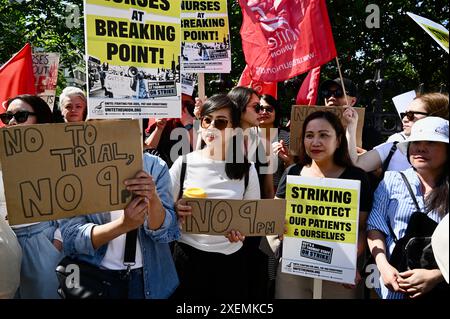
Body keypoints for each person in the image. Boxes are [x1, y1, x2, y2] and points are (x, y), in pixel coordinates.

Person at [169, 94, 260, 299]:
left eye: (220, 122)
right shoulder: (182, 164)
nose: (211, 127)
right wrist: (174, 209)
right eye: (207, 120)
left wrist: (242, 232)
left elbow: (252, 219)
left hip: (230, 263)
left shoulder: (247, 170)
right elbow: (162, 211)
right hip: (187, 259)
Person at [275, 111, 372, 299]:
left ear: (338, 140)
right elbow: (275, 216)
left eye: (324, 135)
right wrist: (281, 227)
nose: (315, 142)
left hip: (339, 274)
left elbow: (361, 228)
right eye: (309, 136)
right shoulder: (292, 172)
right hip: (294, 270)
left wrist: (347, 263)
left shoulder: (357, 177)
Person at [59, 153, 180, 299]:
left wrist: (153, 197)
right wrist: (122, 225)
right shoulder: (78, 168)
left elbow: (165, 232)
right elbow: (71, 239)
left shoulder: (155, 166)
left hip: (148, 281)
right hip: (96, 279)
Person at [367, 116, 449, 299]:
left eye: (431, 142)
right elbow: (375, 227)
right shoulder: (391, 180)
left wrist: (437, 275)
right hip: (393, 286)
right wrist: (384, 266)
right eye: (416, 142)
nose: (421, 148)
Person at [0, 94, 63, 299]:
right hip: (5, 242)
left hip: (41, 240)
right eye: (7, 116)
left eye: (21, 116)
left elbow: (72, 200)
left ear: (40, 119)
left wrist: (57, 242)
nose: (11, 122)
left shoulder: (57, 154)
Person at [346, 93, 449, 173]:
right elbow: (357, 163)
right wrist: (351, 126)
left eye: (411, 115)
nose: (404, 119)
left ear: (435, 117)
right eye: (404, 114)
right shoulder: (394, 145)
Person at [320, 77, 384, 151]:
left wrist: (367, 157)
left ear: (353, 101)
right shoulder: (313, 127)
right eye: (326, 93)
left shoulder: (369, 134)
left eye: (338, 93)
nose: (331, 97)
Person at [144, 94, 196, 167]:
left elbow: (204, 152)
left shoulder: (200, 120)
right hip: (165, 175)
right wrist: (159, 128)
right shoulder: (160, 119)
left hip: (192, 174)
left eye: (187, 104)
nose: (182, 107)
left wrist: (189, 125)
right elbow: (146, 151)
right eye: (178, 103)